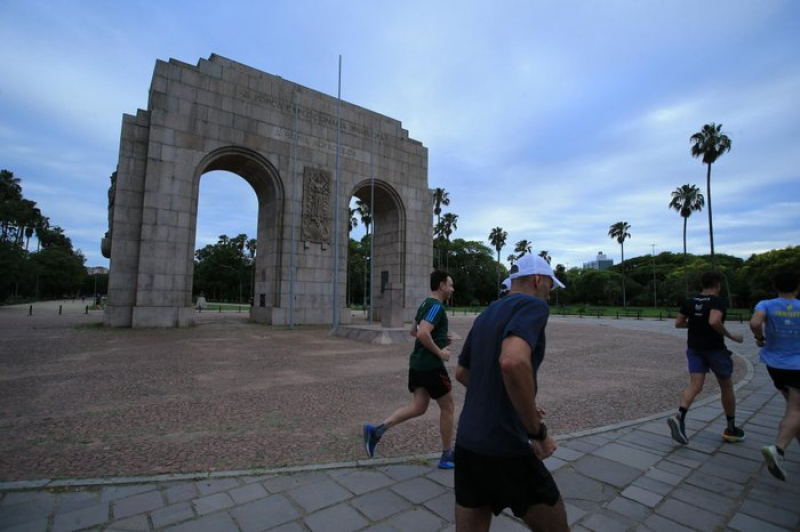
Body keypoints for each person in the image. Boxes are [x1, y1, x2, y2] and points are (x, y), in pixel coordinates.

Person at [454, 254, 568, 532]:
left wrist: (521, 399)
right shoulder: (533, 306)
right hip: (507, 445)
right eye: (551, 285)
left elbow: (463, 373)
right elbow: (513, 362)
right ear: (539, 280)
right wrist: (537, 433)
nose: (550, 293)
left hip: (469, 444)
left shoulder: (487, 313)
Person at [364, 270, 456, 469]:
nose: (452, 289)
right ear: (441, 286)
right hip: (431, 366)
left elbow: (413, 330)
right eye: (450, 285)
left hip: (417, 365)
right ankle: (447, 455)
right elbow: (422, 333)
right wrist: (440, 352)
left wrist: (440, 339)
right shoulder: (435, 306)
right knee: (448, 407)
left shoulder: (424, 304)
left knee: (419, 407)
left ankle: (377, 431)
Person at [668, 271, 745, 445]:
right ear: (718, 285)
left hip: (694, 348)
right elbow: (714, 321)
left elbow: (679, 323)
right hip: (715, 349)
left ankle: (680, 416)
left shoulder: (690, 301)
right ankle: (731, 427)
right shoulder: (717, 301)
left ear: (702, 285)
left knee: (695, 384)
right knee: (726, 386)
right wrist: (731, 336)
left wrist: (695, 324)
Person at [750, 271, 800, 481]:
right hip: (796, 364)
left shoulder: (766, 305)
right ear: (797, 287)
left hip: (774, 363)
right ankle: (778, 449)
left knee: (793, 407)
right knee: (796, 409)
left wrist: (760, 338)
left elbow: (755, 323)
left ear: (775, 286)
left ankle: (785, 442)